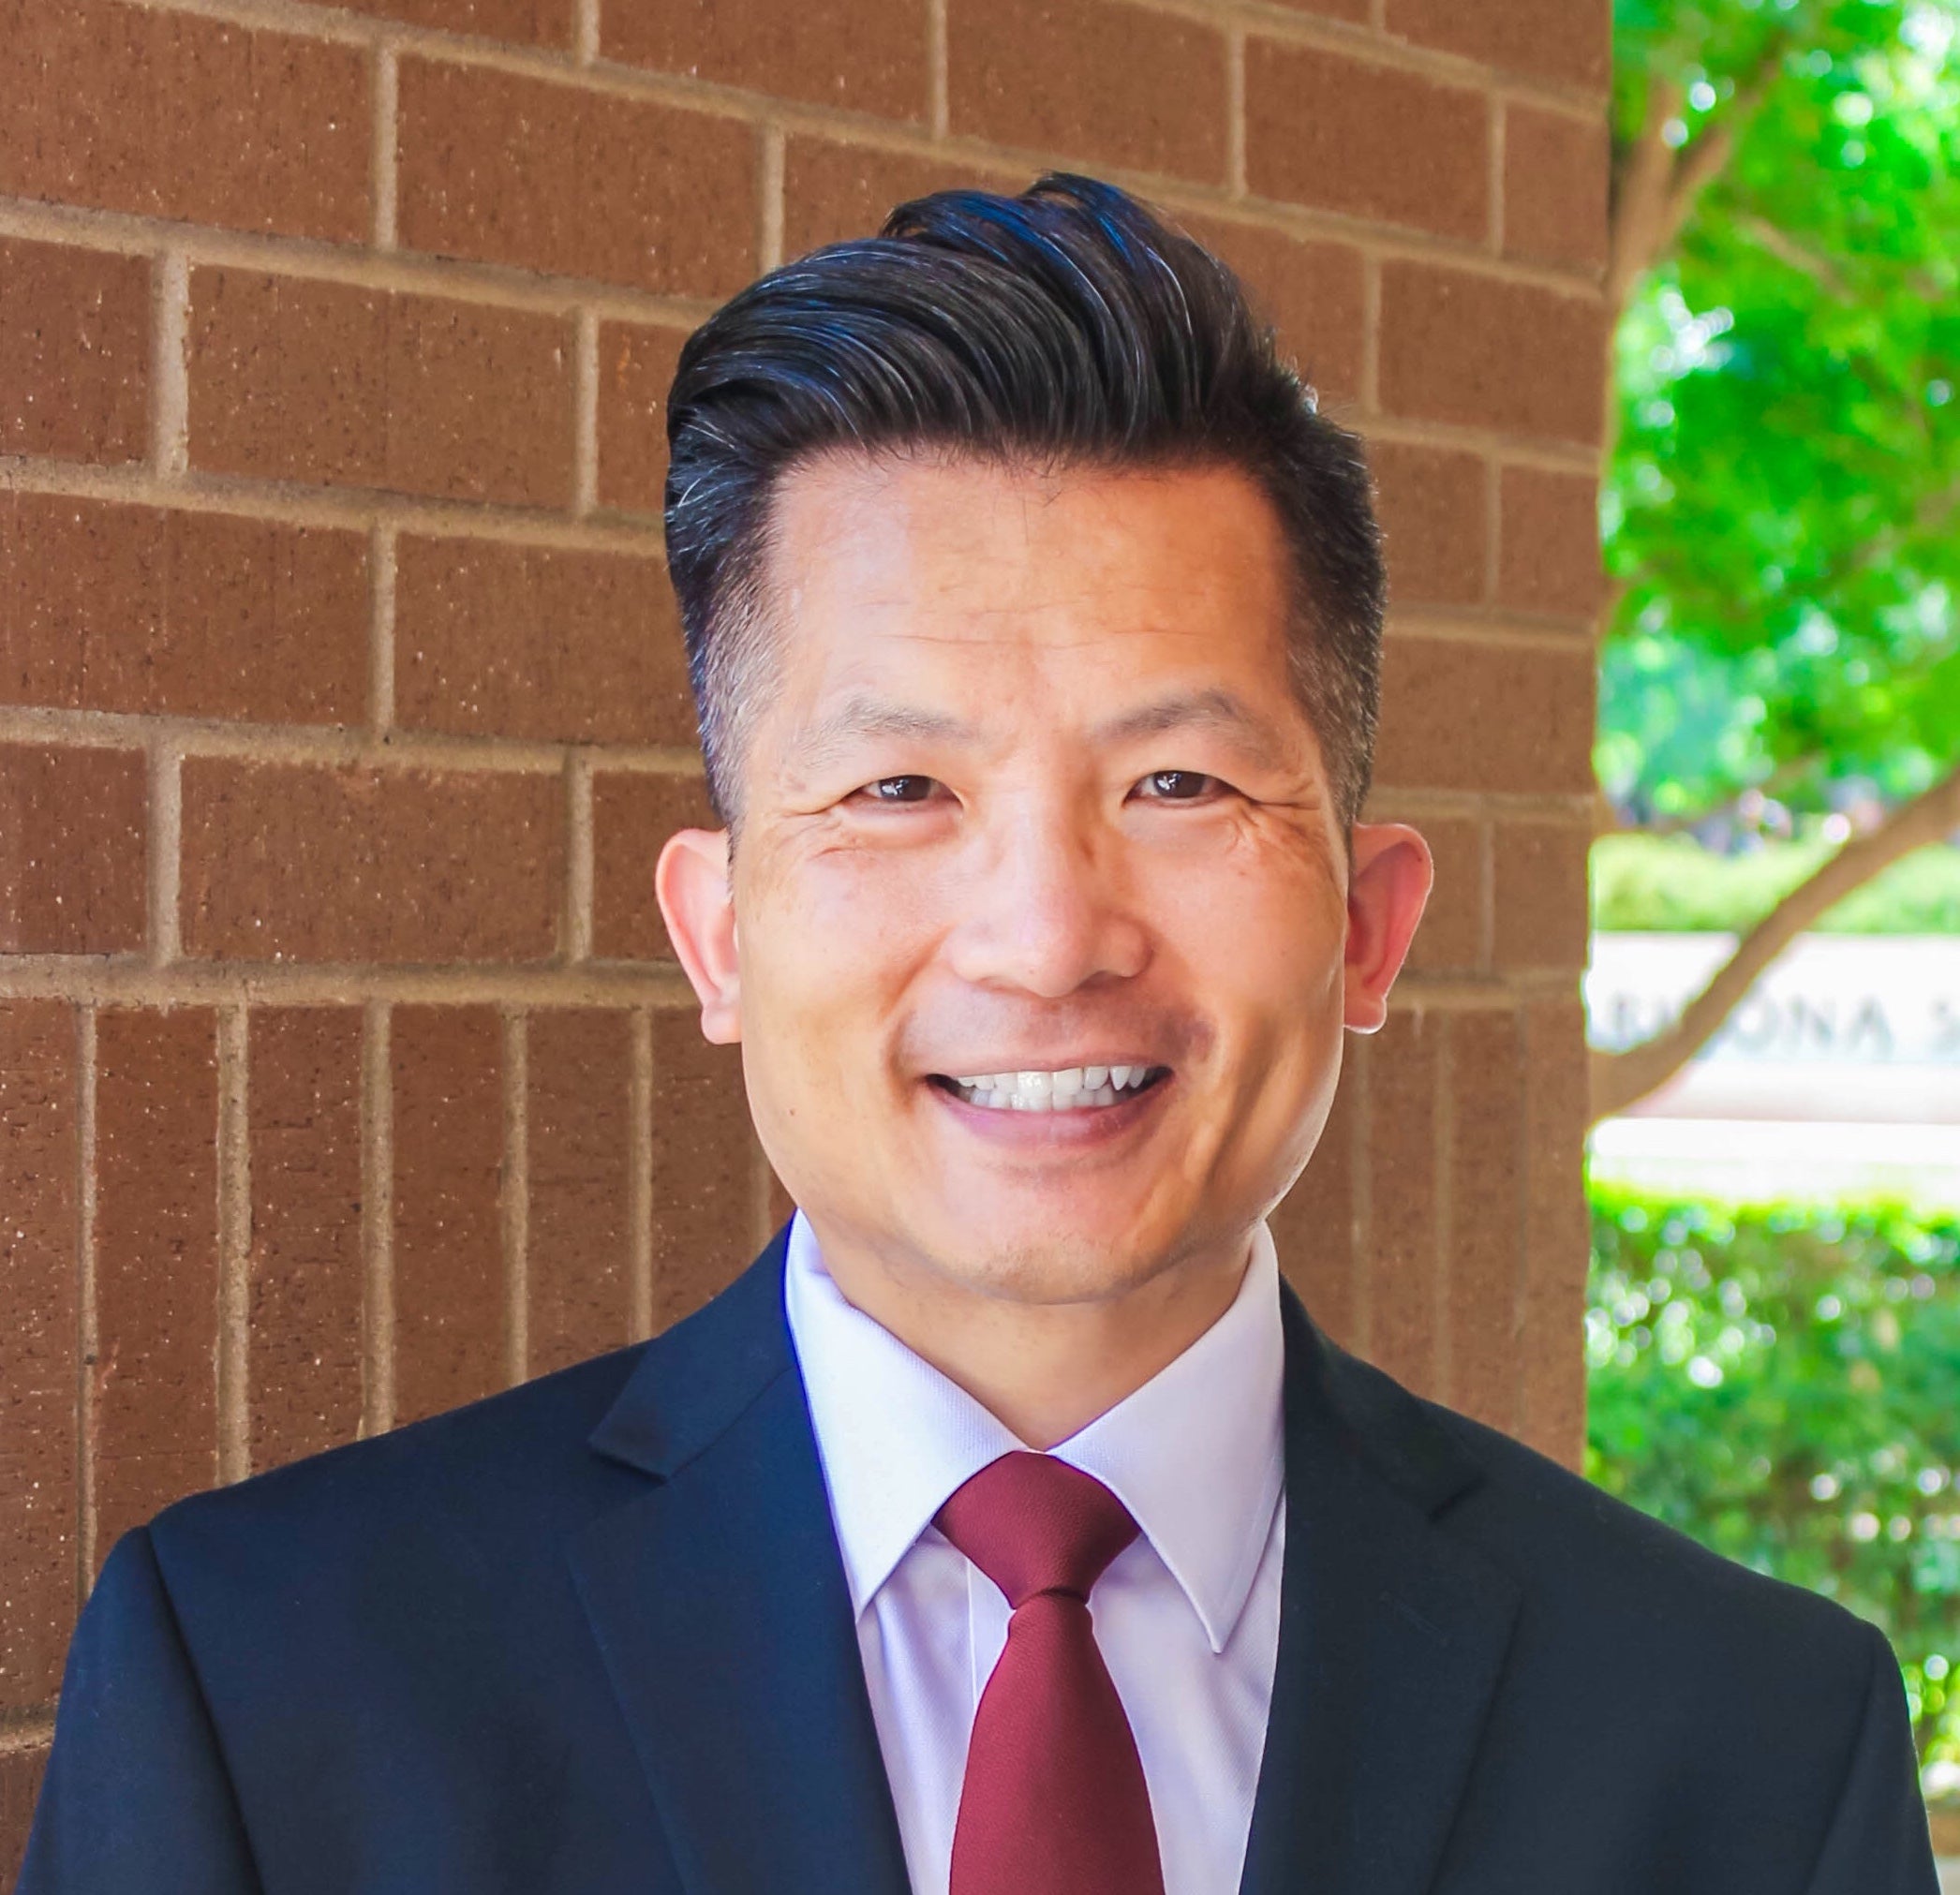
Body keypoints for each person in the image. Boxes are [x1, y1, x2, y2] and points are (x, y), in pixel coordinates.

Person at [21, 174, 1938, 1895]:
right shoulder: (275, 1688)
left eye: (1180, 780)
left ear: (1365, 927)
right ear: (718, 933)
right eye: (897, 790)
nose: (1043, 939)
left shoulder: (1745, 1745)